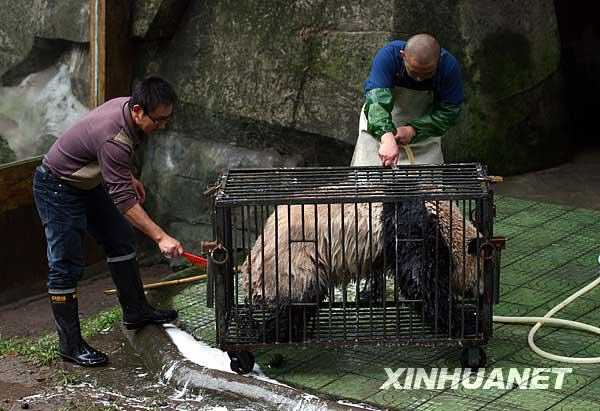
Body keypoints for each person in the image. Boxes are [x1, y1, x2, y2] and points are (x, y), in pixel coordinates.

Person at [33, 76, 184, 367]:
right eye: (159, 119)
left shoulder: (124, 109)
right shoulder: (113, 135)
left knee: (120, 240)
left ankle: (136, 311)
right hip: (56, 186)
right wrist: (161, 237)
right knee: (65, 264)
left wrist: (127, 176)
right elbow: (125, 202)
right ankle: (70, 345)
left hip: (87, 183)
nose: (163, 125)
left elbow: (101, 152)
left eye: (168, 118)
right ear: (139, 110)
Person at [351, 33, 464, 167]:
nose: (419, 79)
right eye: (414, 72)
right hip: (379, 123)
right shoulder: (388, 56)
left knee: (426, 183)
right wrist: (386, 136)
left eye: (427, 74)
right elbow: (376, 101)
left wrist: (414, 129)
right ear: (403, 55)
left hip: (425, 129)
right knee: (369, 180)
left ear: (439, 61)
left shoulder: (449, 67)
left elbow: (449, 111)